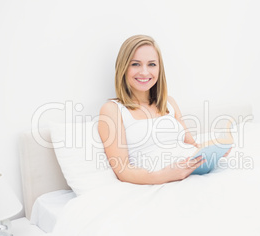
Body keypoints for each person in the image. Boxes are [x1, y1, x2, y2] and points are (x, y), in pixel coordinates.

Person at [98, 35, 229, 185]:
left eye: (152, 64)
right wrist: (165, 175)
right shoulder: (112, 110)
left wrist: (214, 153)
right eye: (135, 64)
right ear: (123, 67)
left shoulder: (169, 103)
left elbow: (192, 146)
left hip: (193, 174)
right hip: (164, 182)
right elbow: (123, 171)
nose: (145, 72)